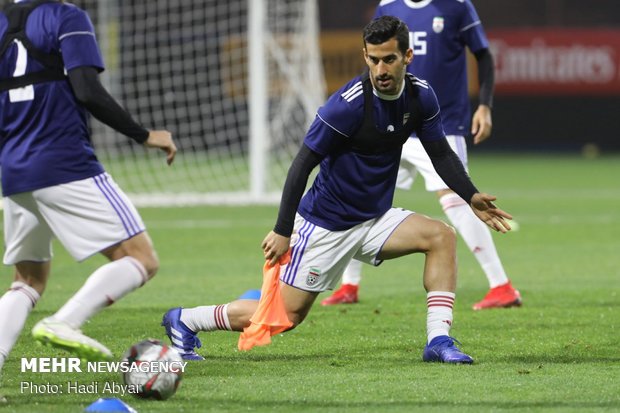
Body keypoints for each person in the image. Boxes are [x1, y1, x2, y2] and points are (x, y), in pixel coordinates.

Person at [162, 16, 512, 364]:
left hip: (374, 219)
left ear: (408, 56)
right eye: (373, 59)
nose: (380, 69)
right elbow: (301, 164)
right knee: (284, 318)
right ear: (365, 56)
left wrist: (470, 195)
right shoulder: (347, 105)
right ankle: (187, 319)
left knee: (441, 237)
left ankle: (438, 340)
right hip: (324, 225)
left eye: (388, 59)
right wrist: (283, 230)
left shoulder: (421, 96)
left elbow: (440, 153)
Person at [0, 0, 177, 387]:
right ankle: (65, 321)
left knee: (27, 281)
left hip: (13, 169)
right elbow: (87, 90)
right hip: (64, 161)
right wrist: (145, 135)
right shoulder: (66, 16)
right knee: (141, 259)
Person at [322, 0, 522, 310]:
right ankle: (349, 283)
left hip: (440, 122)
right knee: (359, 192)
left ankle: (502, 286)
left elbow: (482, 54)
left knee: (456, 199)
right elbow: (375, 57)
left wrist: (484, 105)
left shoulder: (456, 6)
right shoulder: (388, 6)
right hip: (391, 121)